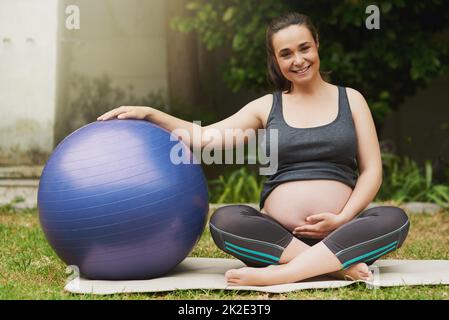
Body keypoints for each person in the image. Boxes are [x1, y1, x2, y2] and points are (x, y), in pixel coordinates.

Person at [98, 12, 410, 286]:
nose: (298, 60)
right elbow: (205, 138)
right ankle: (334, 268)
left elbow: (372, 171)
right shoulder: (266, 107)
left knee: (395, 219)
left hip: (342, 233)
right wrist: (152, 113)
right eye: (285, 53)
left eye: (304, 48)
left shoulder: (351, 99)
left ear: (317, 44)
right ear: (276, 60)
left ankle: (280, 274)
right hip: (279, 238)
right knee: (225, 221)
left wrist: (342, 218)